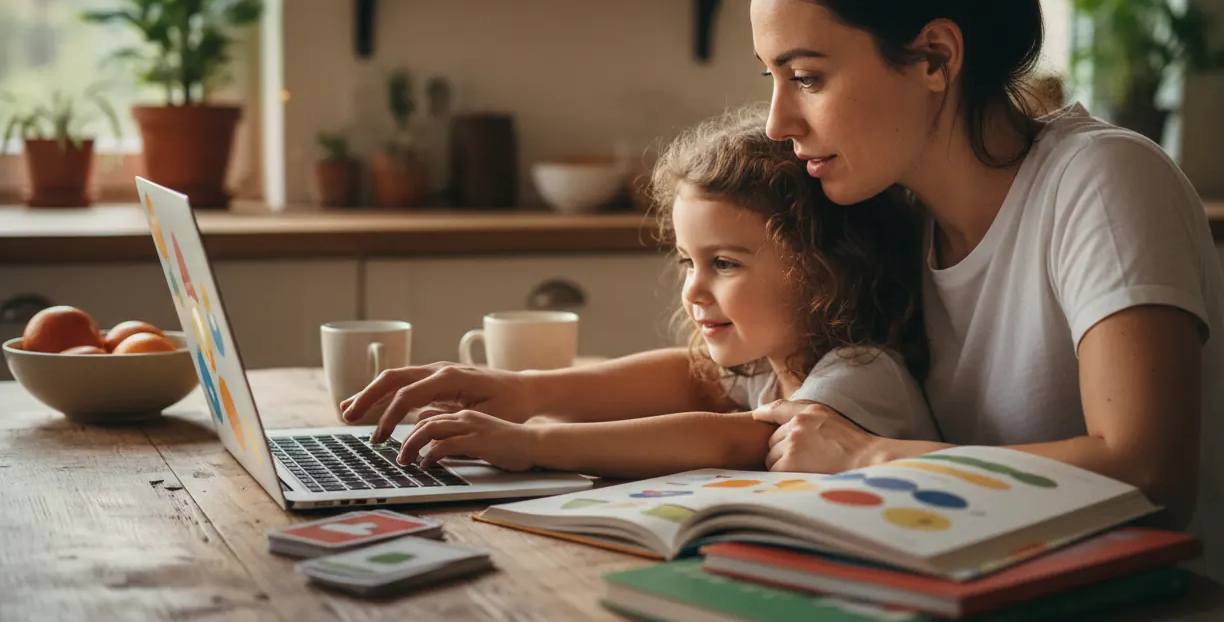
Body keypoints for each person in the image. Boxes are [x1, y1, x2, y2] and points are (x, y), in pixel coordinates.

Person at [739, 0, 1224, 604]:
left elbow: (1151, 480)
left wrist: (873, 456)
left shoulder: (1103, 181)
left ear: (935, 56)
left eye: (806, 77)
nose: (778, 122)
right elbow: (732, 370)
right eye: (771, 79)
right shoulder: (892, 216)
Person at [342, 109, 938, 479]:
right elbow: (690, 375)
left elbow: (736, 440)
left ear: (823, 271)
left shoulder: (862, 372)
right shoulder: (771, 363)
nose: (693, 290)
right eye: (687, 262)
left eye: (723, 263)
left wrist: (531, 443)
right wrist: (522, 391)